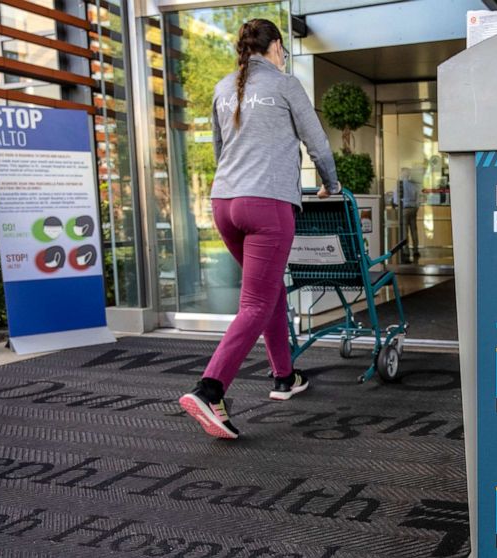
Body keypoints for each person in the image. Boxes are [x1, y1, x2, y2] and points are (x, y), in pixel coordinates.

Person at [178, 19, 340, 440]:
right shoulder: (285, 85)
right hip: (267, 204)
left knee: (269, 291)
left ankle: (285, 375)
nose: (283, 56)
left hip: (225, 203)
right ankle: (209, 389)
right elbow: (318, 143)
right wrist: (331, 183)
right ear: (276, 48)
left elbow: (219, 151)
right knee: (255, 302)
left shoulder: (221, 87)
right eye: (282, 51)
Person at [393, 168, 420, 263]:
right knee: (414, 230)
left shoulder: (399, 185)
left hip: (404, 209)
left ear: (402, 174)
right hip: (413, 209)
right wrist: (416, 208)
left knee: (404, 230)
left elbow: (396, 200)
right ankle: (416, 249)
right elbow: (418, 198)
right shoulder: (413, 185)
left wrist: (397, 207)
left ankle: (406, 250)